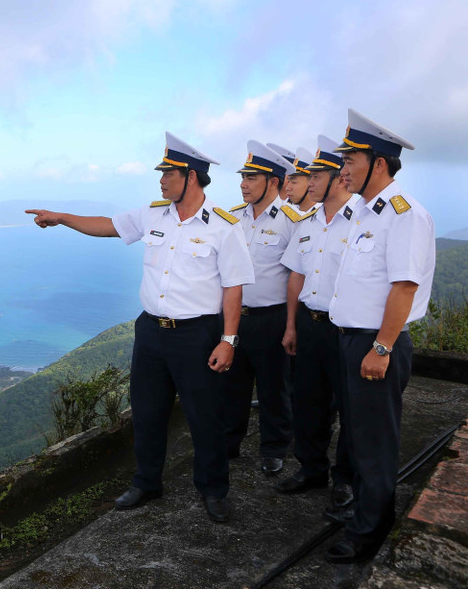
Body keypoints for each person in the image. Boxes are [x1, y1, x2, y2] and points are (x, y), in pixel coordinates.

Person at [26, 132, 253, 522]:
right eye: (162, 173)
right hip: (150, 331)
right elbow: (107, 226)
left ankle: (214, 489)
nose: (162, 180)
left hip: (197, 334)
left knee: (205, 416)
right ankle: (147, 482)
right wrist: (62, 218)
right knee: (148, 412)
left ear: (192, 177)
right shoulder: (154, 214)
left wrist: (228, 340)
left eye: (169, 173)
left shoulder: (223, 225)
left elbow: (233, 288)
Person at [324, 110, 435, 564]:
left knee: (374, 441)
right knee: (355, 433)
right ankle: (365, 514)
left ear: (380, 163)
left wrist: (383, 347)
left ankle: (370, 531)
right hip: (352, 340)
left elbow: (404, 286)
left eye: (351, 159)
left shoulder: (403, 214)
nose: (343, 168)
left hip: (377, 344)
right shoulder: (364, 213)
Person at [276, 134, 357, 518]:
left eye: (315, 176)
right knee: (308, 401)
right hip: (309, 326)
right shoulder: (308, 223)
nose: (308, 183)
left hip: (345, 330)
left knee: (351, 407)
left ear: (338, 177)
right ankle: (312, 470)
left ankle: (345, 480)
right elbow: (296, 275)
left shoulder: (361, 221)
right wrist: (291, 325)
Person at [222, 141, 299, 476]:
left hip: (272, 317)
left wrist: (291, 324)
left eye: (251, 177)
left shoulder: (291, 220)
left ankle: (274, 448)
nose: (243, 183)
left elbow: (301, 274)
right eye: (243, 176)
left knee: (273, 387)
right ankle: (228, 443)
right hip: (235, 317)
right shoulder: (232, 218)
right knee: (231, 386)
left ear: (273, 182)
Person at [268, 143, 316, 216]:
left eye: (294, 182)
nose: (288, 188)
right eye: (289, 181)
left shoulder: (324, 214)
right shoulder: (287, 212)